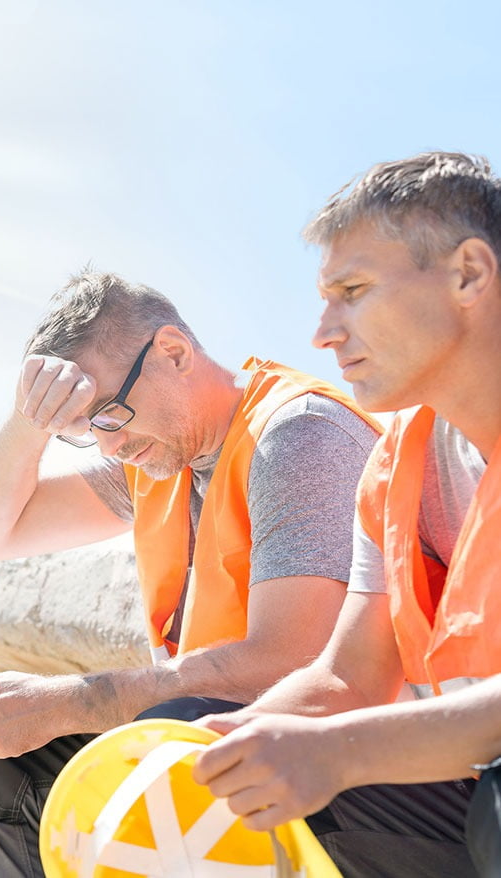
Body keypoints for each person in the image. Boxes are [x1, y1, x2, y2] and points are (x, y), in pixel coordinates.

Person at [0, 269, 382, 876]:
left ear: (172, 352)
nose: (110, 446)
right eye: (84, 432)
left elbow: (292, 663)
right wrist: (26, 422)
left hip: (360, 774)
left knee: (171, 729)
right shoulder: (154, 463)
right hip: (221, 739)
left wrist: (80, 701)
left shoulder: (300, 435)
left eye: (110, 414)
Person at [192, 151, 501, 878]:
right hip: (469, 785)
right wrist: (238, 737)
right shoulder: (396, 469)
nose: (323, 333)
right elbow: (348, 679)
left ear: (468, 274)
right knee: (214, 764)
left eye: (352, 291)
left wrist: (334, 754)